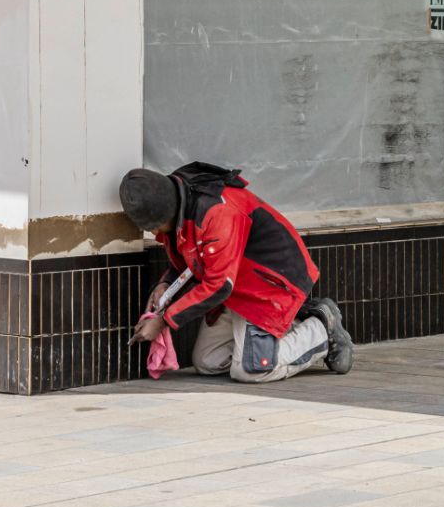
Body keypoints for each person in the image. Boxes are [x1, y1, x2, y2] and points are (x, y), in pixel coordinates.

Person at [122, 162, 353, 382]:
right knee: (207, 362)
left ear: (166, 213)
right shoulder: (180, 198)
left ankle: (321, 327)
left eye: (153, 226)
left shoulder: (216, 213)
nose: (153, 232)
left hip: (269, 283)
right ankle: (271, 336)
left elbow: (219, 285)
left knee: (252, 370)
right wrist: (165, 284)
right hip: (236, 286)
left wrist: (164, 321)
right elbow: (190, 257)